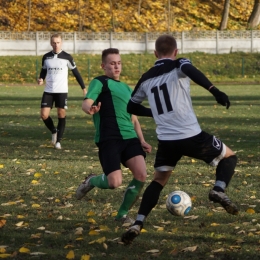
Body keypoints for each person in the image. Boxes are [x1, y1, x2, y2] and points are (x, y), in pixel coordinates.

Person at [121, 34, 239, 244]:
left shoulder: (146, 77)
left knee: (158, 181)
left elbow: (131, 107)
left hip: (166, 141)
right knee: (229, 157)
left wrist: (154, 113)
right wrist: (215, 91)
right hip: (191, 136)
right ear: (175, 51)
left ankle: (138, 222)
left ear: (155, 53)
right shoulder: (179, 63)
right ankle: (218, 190)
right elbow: (190, 71)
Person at [75, 48, 152, 224]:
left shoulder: (126, 88)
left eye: (118, 63)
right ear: (104, 66)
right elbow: (86, 103)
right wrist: (90, 109)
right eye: (112, 63)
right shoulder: (99, 82)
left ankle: (122, 215)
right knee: (114, 182)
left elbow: (134, 118)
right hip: (109, 138)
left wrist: (142, 140)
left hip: (130, 138)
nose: (116, 67)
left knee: (141, 175)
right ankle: (92, 181)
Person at [38, 33, 86, 149]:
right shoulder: (46, 57)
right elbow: (43, 70)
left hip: (61, 91)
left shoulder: (67, 57)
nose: (56, 45)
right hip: (48, 90)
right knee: (44, 115)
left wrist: (83, 88)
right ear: (51, 43)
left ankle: (58, 141)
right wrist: (41, 78)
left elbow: (76, 73)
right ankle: (54, 130)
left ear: (61, 43)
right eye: (54, 43)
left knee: (61, 114)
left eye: (58, 42)